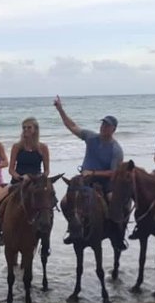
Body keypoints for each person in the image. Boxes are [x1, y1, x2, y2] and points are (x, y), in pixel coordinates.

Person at [53, 95, 126, 250]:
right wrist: (60, 109)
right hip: (85, 180)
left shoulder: (116, 149)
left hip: (105, 182)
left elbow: (113, 173)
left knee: (114, 202)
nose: (103, 127)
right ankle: (72, 228)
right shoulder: (91, 137)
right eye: (103, 124)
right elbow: (72, 126)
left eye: (107, 126)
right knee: (65, 202)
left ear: (113, 129)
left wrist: (93, 173)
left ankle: (117, 235)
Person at [0, 117, 49, 253]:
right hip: (17, 183)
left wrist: (33, 178)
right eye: (24, 128)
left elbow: (47, 170)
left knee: (47, 208)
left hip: (36, 184)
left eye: (29, 127)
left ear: (35, 130)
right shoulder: (17, 147)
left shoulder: (43, 148)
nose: (25, 130)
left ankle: (45, 243)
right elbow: (11, 169)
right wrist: (19, 177)